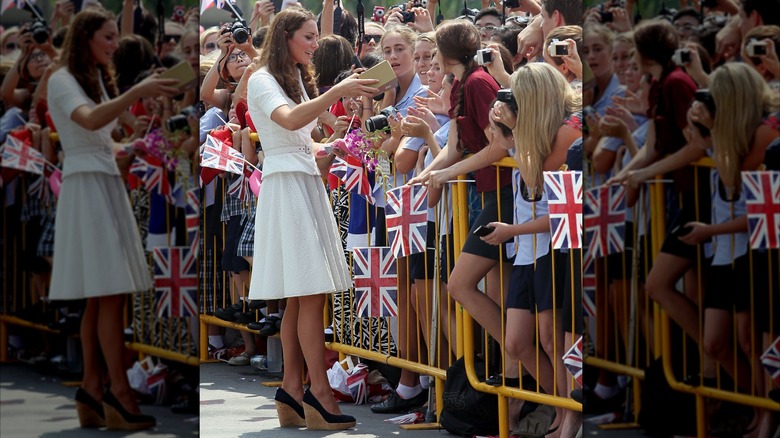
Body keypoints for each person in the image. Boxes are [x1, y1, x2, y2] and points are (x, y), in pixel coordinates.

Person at [45, 6, 178, 430]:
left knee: (102, 296)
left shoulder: (93, 79)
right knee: (108, 292)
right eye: (107, 36)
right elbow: (87, 121)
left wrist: (134, 143)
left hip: (100, 183)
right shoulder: (63, 78)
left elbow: (103, 140)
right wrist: (133, 95)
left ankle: (92, 389)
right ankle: (117, 394)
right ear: (85, 38)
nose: (114, 44)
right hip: (87, 188)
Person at [245, 6, 378, 430]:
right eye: (308, 36)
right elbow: (287, 121)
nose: (315, 44)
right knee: (309, 293)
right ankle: (317, 394)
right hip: (287, 186)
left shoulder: (293, 78)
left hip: (301, 181)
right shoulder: (263, 77)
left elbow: (305, 136)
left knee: (302, 296)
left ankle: (292, 389)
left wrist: (334, 138)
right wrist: (333, 96)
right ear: (285, 36)